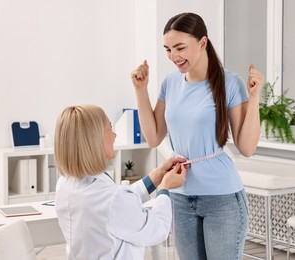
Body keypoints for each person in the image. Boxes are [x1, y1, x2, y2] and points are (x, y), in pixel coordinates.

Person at [131, 12, 264, 260]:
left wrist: (254, 98)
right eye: (168, 49)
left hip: (222, 199)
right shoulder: (170, 83)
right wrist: (140, 90)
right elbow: (153, 138)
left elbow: (247, 147)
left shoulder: (230, 84)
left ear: (203, 42)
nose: (174, 56)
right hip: (180, 196)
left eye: (180, 47)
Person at [54, 104, 187, 260]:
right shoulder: (113, 199)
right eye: (110, 128)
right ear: (94, 139)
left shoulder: (65, 184)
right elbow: (158, 230)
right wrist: (165, 189)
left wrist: (155, 178)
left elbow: (119, 204)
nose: (115, 135)